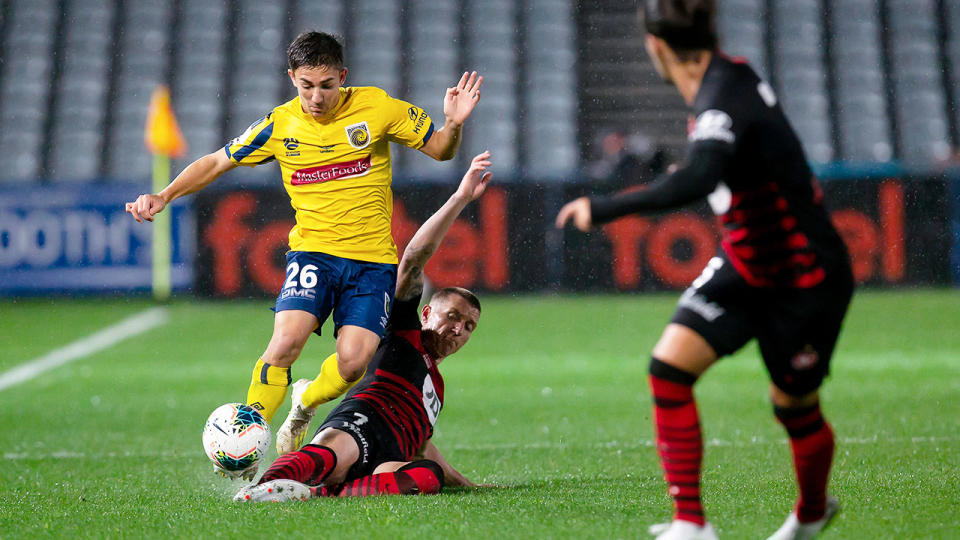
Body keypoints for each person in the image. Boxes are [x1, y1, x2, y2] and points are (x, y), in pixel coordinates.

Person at [555, 2, 853, 539]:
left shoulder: (722, 97)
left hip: (803, 276)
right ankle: (691, 525)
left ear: (657, 47)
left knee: (793, 405)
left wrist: (603, 207)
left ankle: (811, 513)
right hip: (745, 263)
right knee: (668, 370)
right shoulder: (727, 79)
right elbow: (722, 168)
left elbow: (699, 177)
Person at [125, 31, 483, 474]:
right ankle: (245, 443)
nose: (316, 96)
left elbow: (442, 151)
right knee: (285, 343)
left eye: (327, 85)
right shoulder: (280, 124)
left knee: (353, 364)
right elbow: (218, 161)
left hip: (372, 262)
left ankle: (305, 401)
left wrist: (454, 123)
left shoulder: (378, 107)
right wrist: (165, 194)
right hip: (313, 254)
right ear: (292, 77)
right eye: (306, 85)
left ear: (343, 77)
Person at [234, 151, 492, 502]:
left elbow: (422, 444)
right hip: (359, 425)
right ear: (428, 312)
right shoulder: (402, 330)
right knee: (334, 455)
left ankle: (319, 495)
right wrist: (461, 198)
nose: (458, 329)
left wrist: (465, 483)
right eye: (452, 316)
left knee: (428, 477)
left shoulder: (437, 387)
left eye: (468, 326)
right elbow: (414, 258)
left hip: (387, 461)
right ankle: (261, 488)